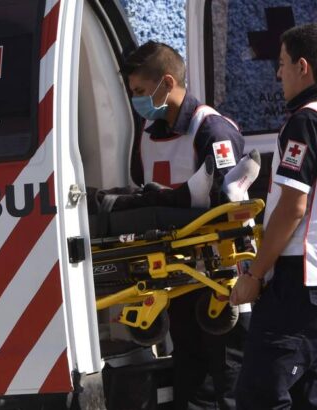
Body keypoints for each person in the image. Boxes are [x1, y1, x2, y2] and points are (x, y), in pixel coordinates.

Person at [97, 41, 258, 410]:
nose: (137, 100)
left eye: (140, 91)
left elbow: (225, 199)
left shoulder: (212, 129)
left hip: (218, 276)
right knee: (190, 375)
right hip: (174, 272)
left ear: (166, 82)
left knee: (231, 377)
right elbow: (144, 183)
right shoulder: (148, 133)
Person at [230, 23, 317, 409]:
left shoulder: (307, 121)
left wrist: (255, 275)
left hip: (304, 283)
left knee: (259, 397)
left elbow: (293, 207)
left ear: (303, 67)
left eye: (282, 64)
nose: (278, 74)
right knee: (310, 399)